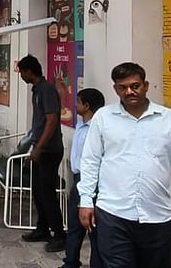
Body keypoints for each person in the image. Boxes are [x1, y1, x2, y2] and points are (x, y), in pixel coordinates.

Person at [77, 62, 171, 268]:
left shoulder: (169, 119)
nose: (129, 92)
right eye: (122, 87)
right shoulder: (104, 118)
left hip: (157, 216)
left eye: (135, 86)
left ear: (145, 85)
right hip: (113, 214)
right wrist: (86, 200)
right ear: (115, 89)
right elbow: (90, 160)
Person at [16, 54, 65, 252]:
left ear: (29, 72)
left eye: (21, 72)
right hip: (39, 148)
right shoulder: (37, 90)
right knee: (37, 191)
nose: (21, 76)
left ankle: (59, 235)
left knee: (47, 193)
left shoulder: (47, 90)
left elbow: (52, 121)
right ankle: (42, 229)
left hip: (49, 150)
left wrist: (39, 148)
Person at [62, 88, 105, 268]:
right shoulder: (80, 124)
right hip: (77, 178)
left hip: (92, 182)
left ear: (87, 106)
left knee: (93, 228)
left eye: (78, 102)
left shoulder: (97, 129)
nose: (75, 105)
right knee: (74, 225)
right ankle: (70, 262)